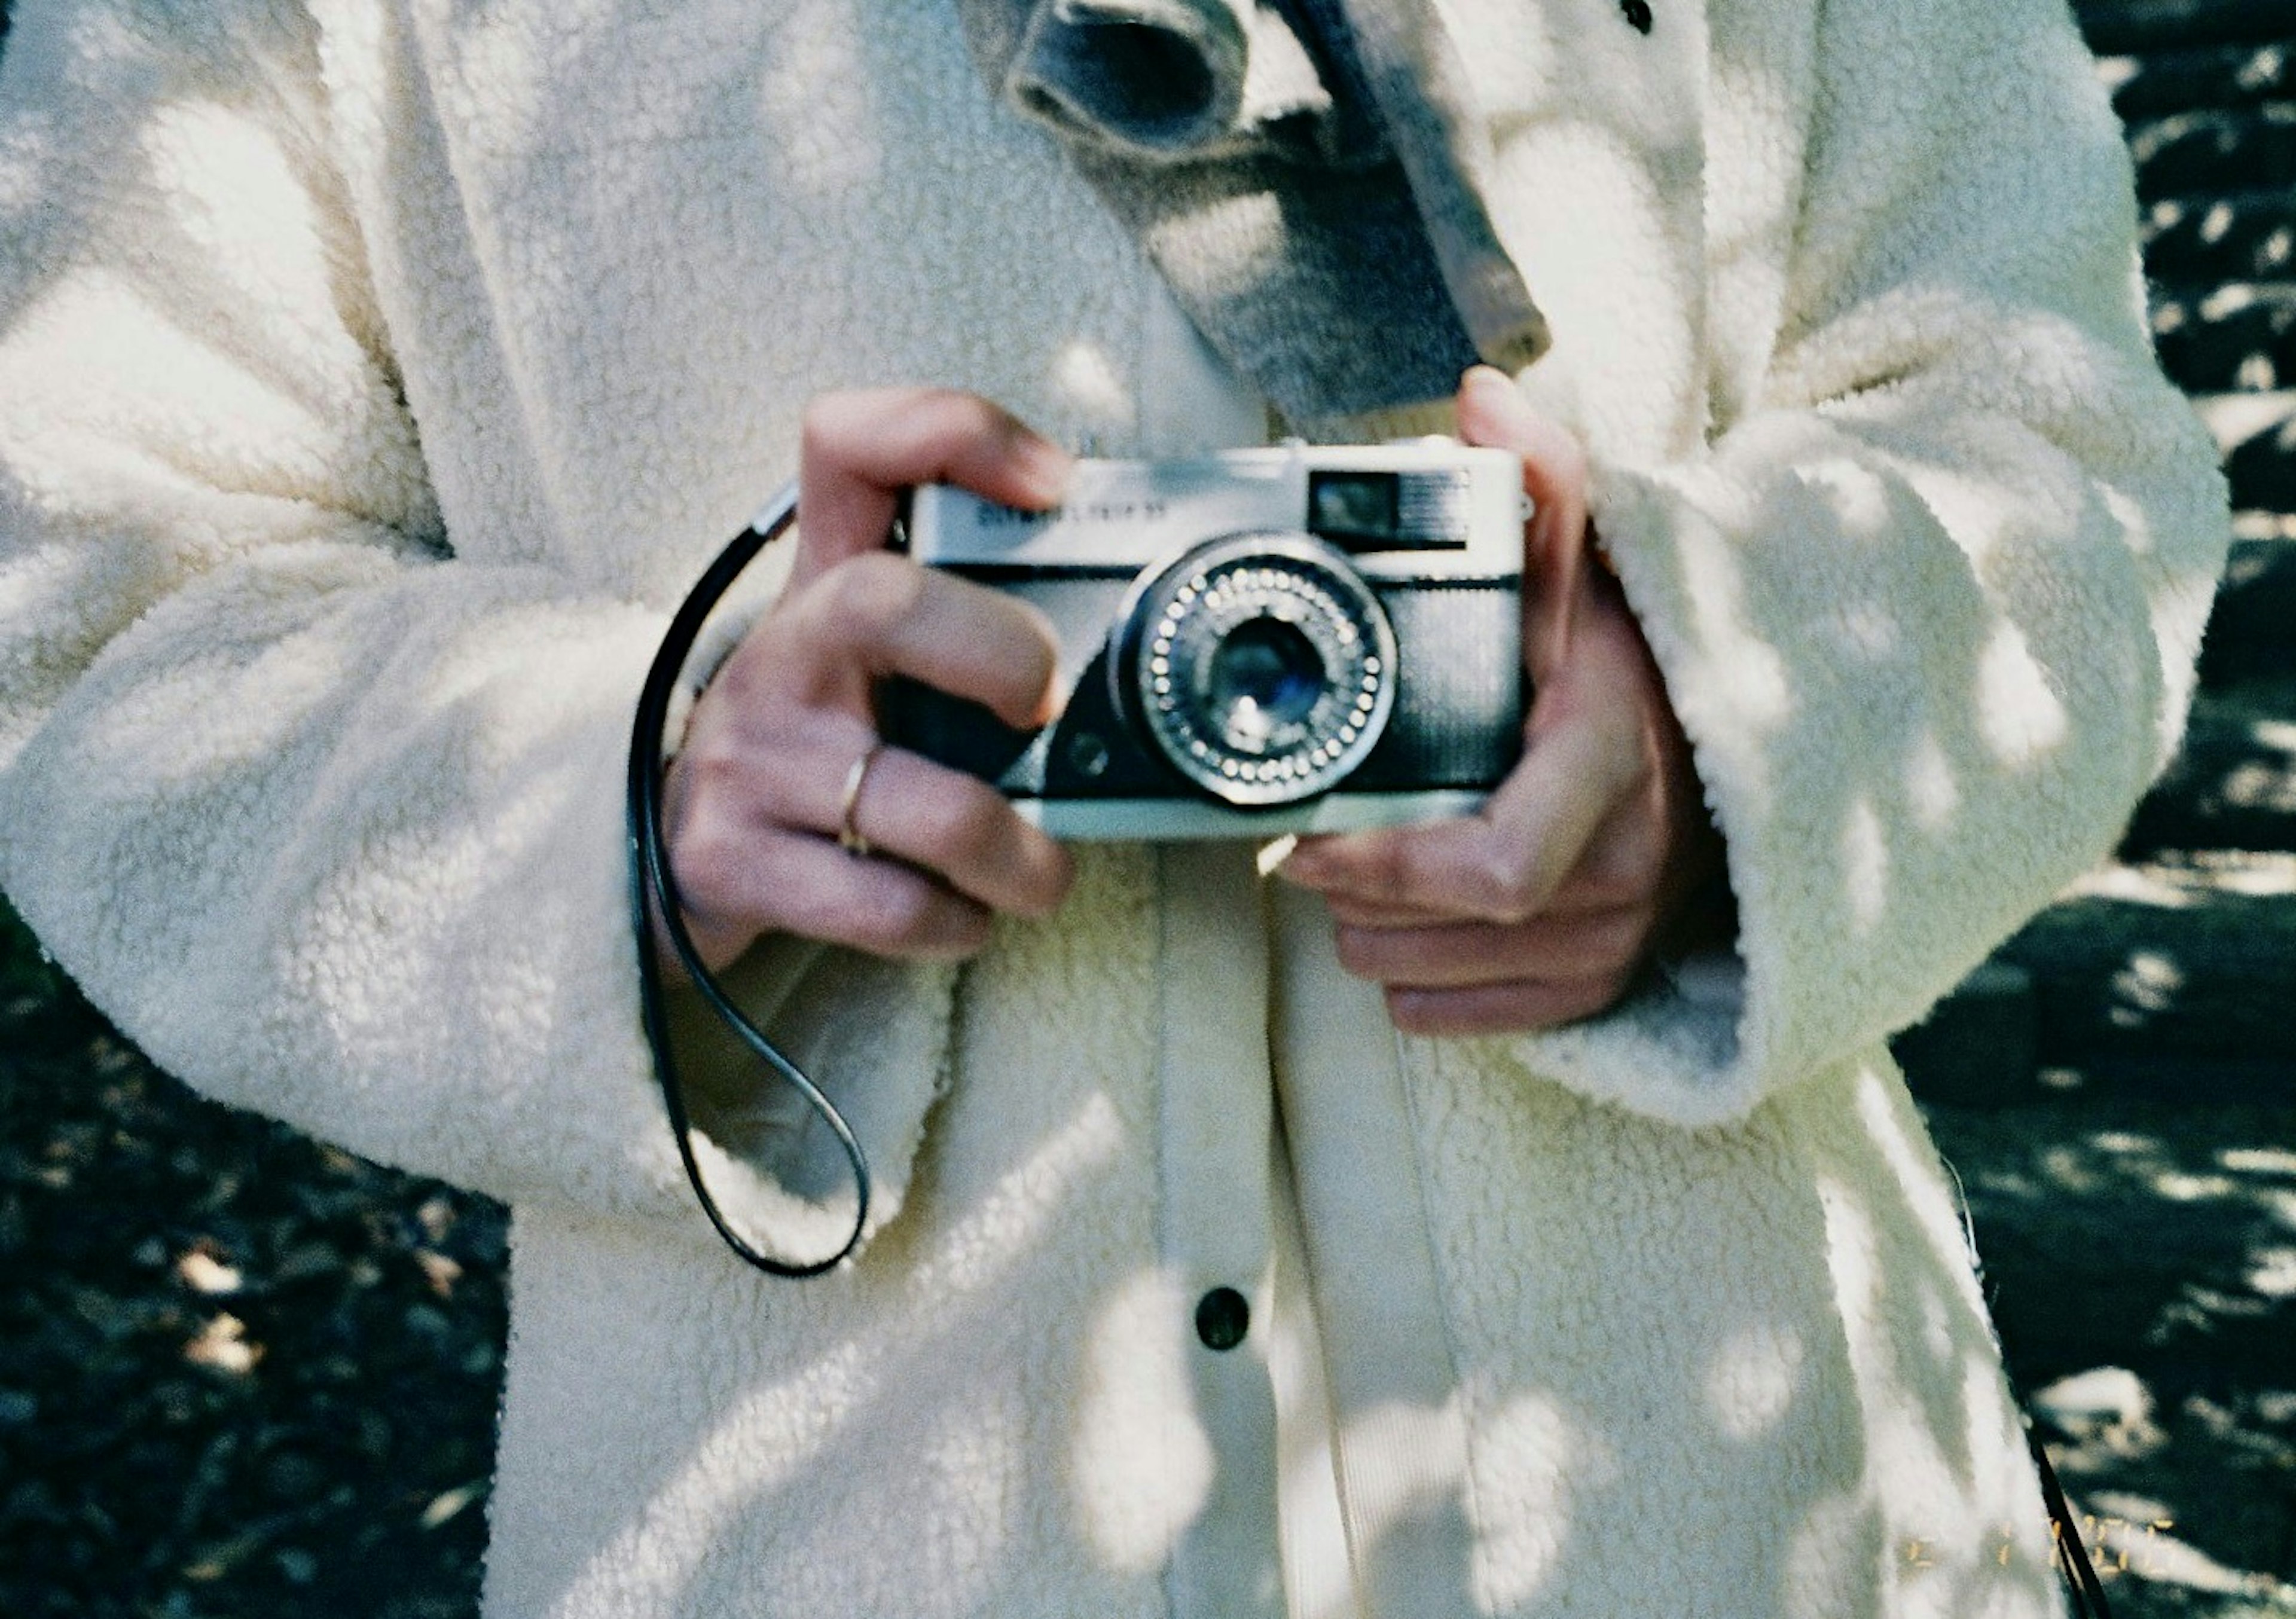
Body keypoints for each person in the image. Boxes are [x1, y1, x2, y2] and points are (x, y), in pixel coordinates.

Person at [0, 0, 2227, 1614]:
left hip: (1769, 1520)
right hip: (817, 1529)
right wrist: (645, 785)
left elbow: (2055, 441)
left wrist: (1735, 710)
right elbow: (93, 595)